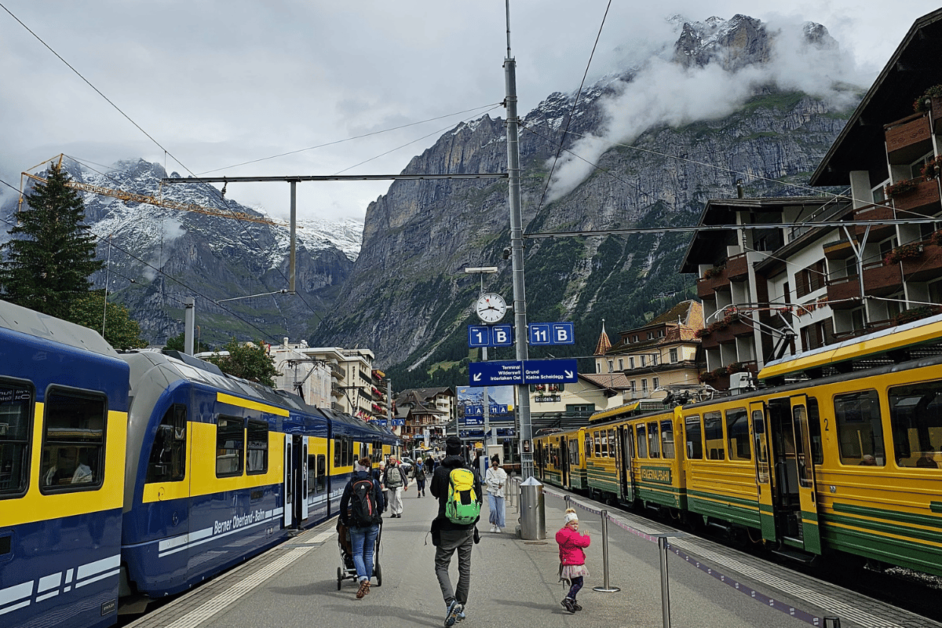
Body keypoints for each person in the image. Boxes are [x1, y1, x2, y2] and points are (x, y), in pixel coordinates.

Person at [431, 436, 482, 627]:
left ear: (446, 449)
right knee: (465, 568)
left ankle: (450, 602)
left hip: (446, 526)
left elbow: (435, 493)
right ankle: (460, 605)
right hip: (468, 527)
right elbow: (479, 500)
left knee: (441, 565)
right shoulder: (471, 472)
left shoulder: (440, 471)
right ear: (461, 450)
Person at [339, 457, 385, 599]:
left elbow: (343, 504)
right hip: (372, 523)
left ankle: (363, 578)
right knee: (368, 552)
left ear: (356, 468)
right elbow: (381, 501)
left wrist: (346, 520)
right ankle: (368, 581)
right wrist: (378, 514)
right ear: (368, 468)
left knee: (357, 552)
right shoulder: (373, 482)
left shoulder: (351, 483)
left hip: (356, 523)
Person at [556, 508, 591, 613]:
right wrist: (586, 536)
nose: (575, 526)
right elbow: (584, 543)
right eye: (573, 524)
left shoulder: (563, 534)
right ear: (567, 524)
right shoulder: (572, 535)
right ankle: (568, 599)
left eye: (577, 524)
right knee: (579, 583)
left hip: (568, 562)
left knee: (574, 583)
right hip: (575, 563)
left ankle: (573, 602)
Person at [484, 455, 507, 533]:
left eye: (496, 465)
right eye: (493, 465)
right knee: (493, 509)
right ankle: (493, 523)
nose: (495, 466)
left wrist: (498, 483)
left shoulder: (502, 471)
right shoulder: (488, 471)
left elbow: (503, 480)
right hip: (491, 491)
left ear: (498, 464)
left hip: (500, 493)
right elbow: (487, 481)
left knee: (499, 510)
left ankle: (498, 525)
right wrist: (496, 483)